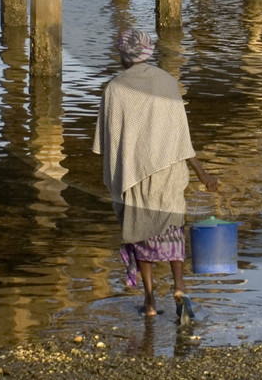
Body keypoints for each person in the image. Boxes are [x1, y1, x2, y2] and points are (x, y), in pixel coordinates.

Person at [93, 27, 220, 324]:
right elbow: (181, 136)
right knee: (173, 229)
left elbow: (109, 140)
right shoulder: (167, 83)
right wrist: (202, 173)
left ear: (124, 55)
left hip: (135, 173)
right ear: (148, 51)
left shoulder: (115, 88)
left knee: (141, 234)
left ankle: (149, 301)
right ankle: (179, 287)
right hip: (169, 171)